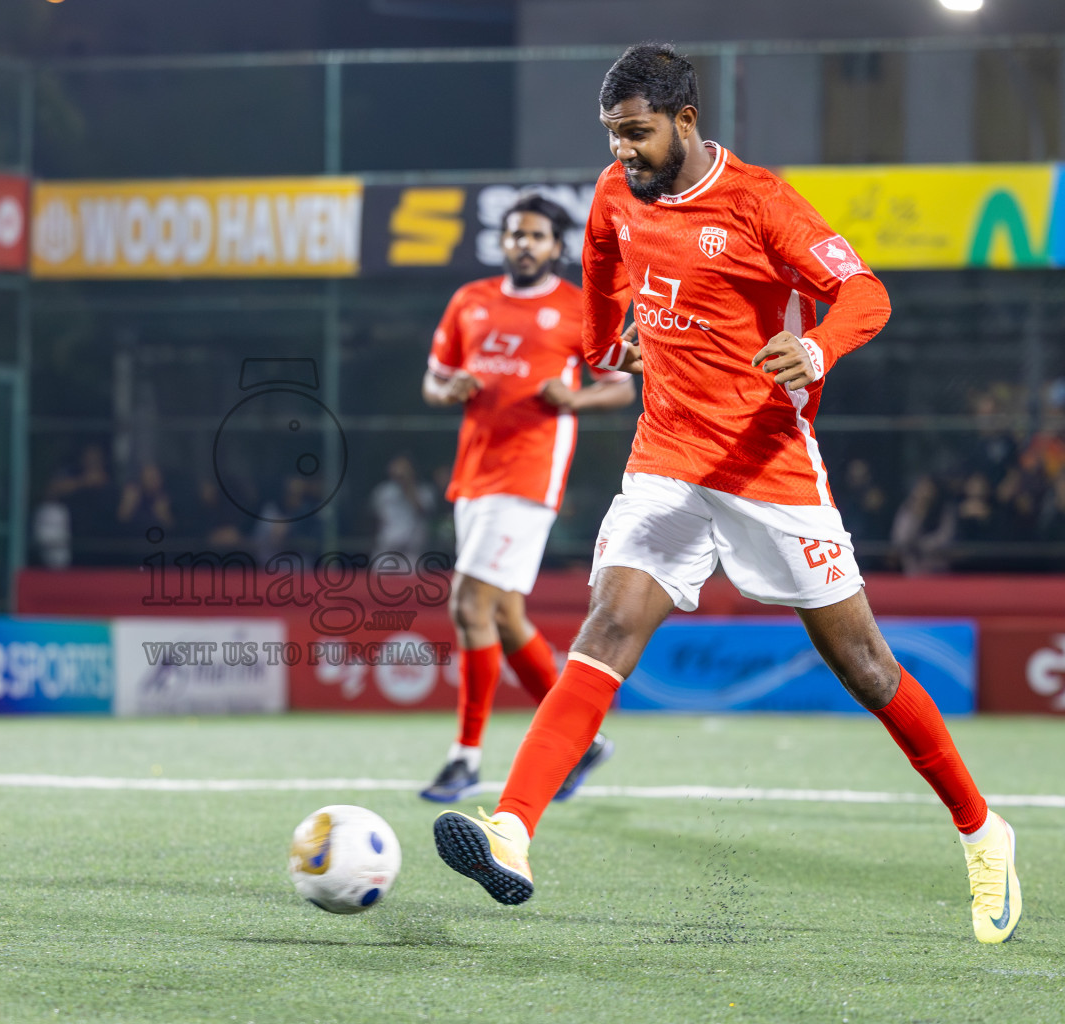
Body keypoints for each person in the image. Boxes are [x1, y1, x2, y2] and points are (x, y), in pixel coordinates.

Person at [433, 44, 1021, 945]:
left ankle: (983, 832)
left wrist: (819, 347)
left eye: (637, 134)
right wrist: (602, 344)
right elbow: (599, 266)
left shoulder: (758, 202)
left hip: (766, 463)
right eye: (613, 136)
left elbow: (865, 293)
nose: (623, 152)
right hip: (665, 459)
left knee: (865, 667)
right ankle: (512, 828)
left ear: (686, 121)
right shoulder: (615, 192)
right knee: (607, 626)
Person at [419, 191, 635, 803]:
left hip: (528, 478)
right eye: (516, 234)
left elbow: (618, 387)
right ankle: (584, 743)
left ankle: (465, 758)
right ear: (503, 240)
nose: (525, 243)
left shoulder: (575, 310)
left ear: (557, 247)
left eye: (537, 236)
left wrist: (576, 399)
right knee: (506, 616)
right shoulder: (470, 301)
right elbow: (432, 379)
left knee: (468, 604)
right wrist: (449, 387)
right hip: (473, 476)